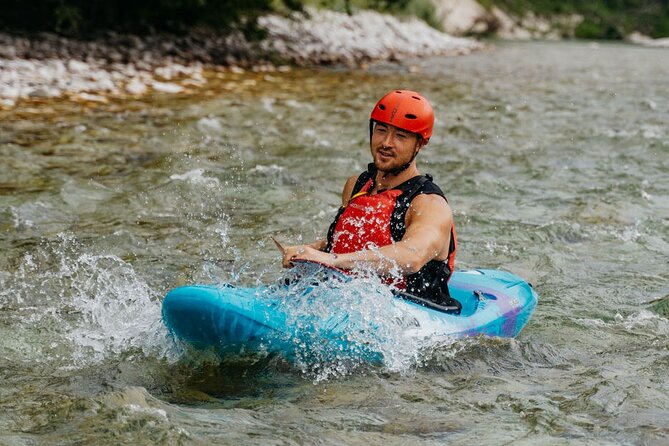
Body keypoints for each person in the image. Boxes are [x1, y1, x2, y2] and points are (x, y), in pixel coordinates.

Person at [281, 89, 458, 307]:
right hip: (347, 299)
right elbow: (354, 239)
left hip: (411, 312)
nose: (386, 142)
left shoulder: (429, 204)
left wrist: (331, 260)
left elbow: (412, 256)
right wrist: (312, 251)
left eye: (400, 136)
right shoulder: (357, 185)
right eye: (381, 130)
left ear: (420, 144)